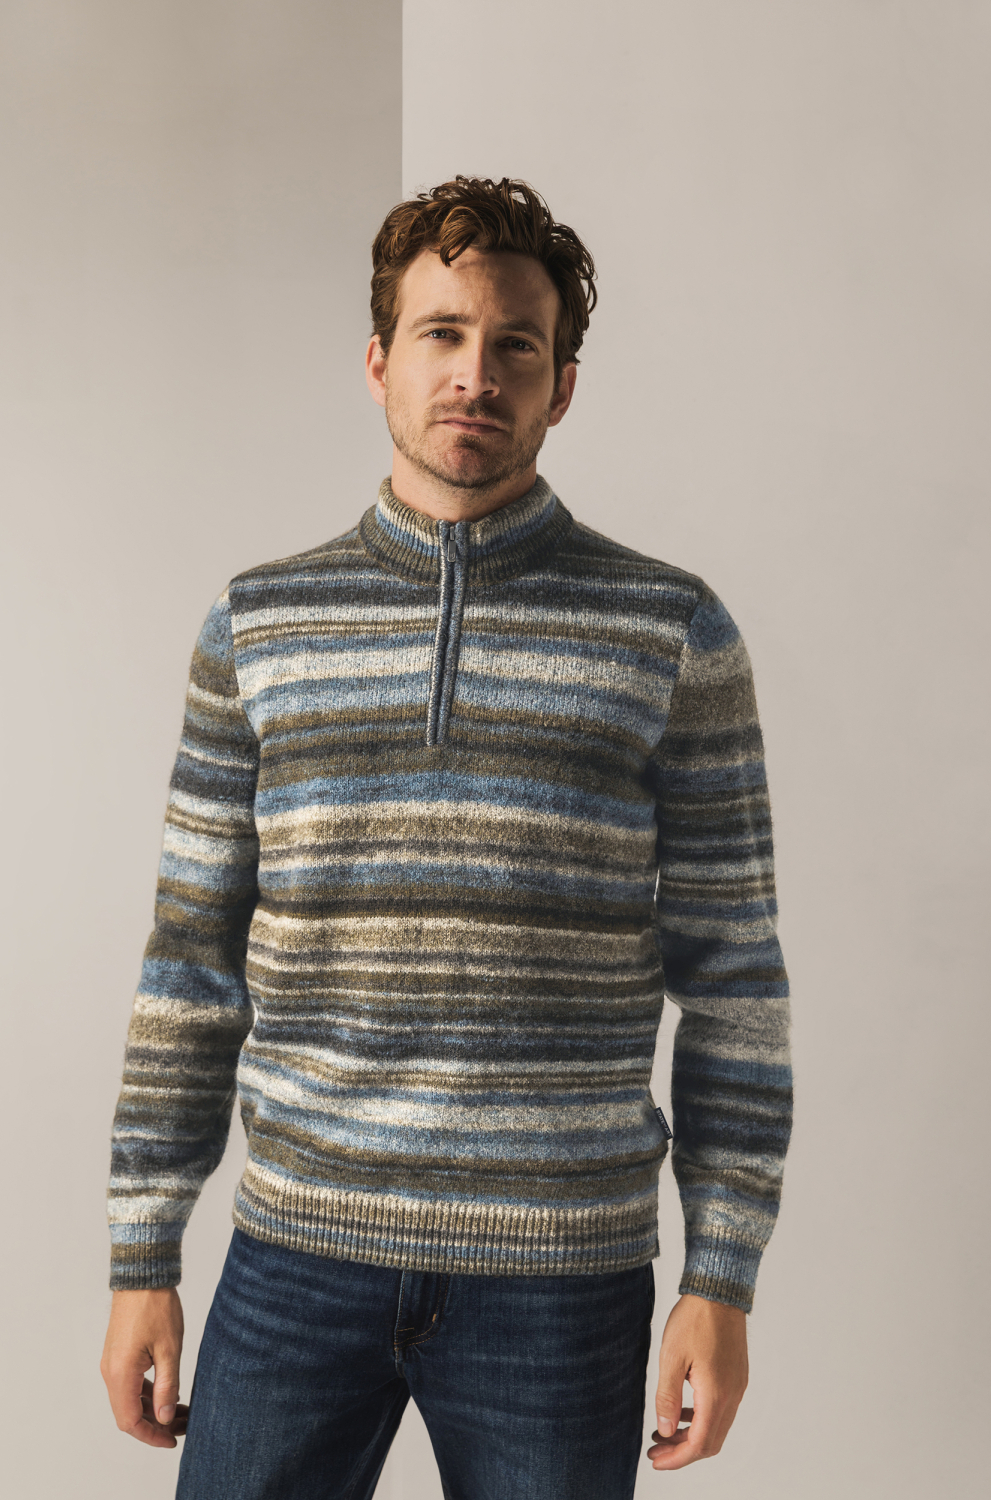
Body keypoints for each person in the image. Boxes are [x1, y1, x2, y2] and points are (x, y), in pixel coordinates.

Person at [101, 176, 792, 1499]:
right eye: (442, 333)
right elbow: (190, 961)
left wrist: (721, 1278)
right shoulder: (257, 626)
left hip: (562, 1278)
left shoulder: (670, 632)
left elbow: (735, 983)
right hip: (296, 1254)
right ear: (379, 361)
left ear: (562, 385)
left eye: (515, 345)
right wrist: (143, 1255)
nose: (476, 373)